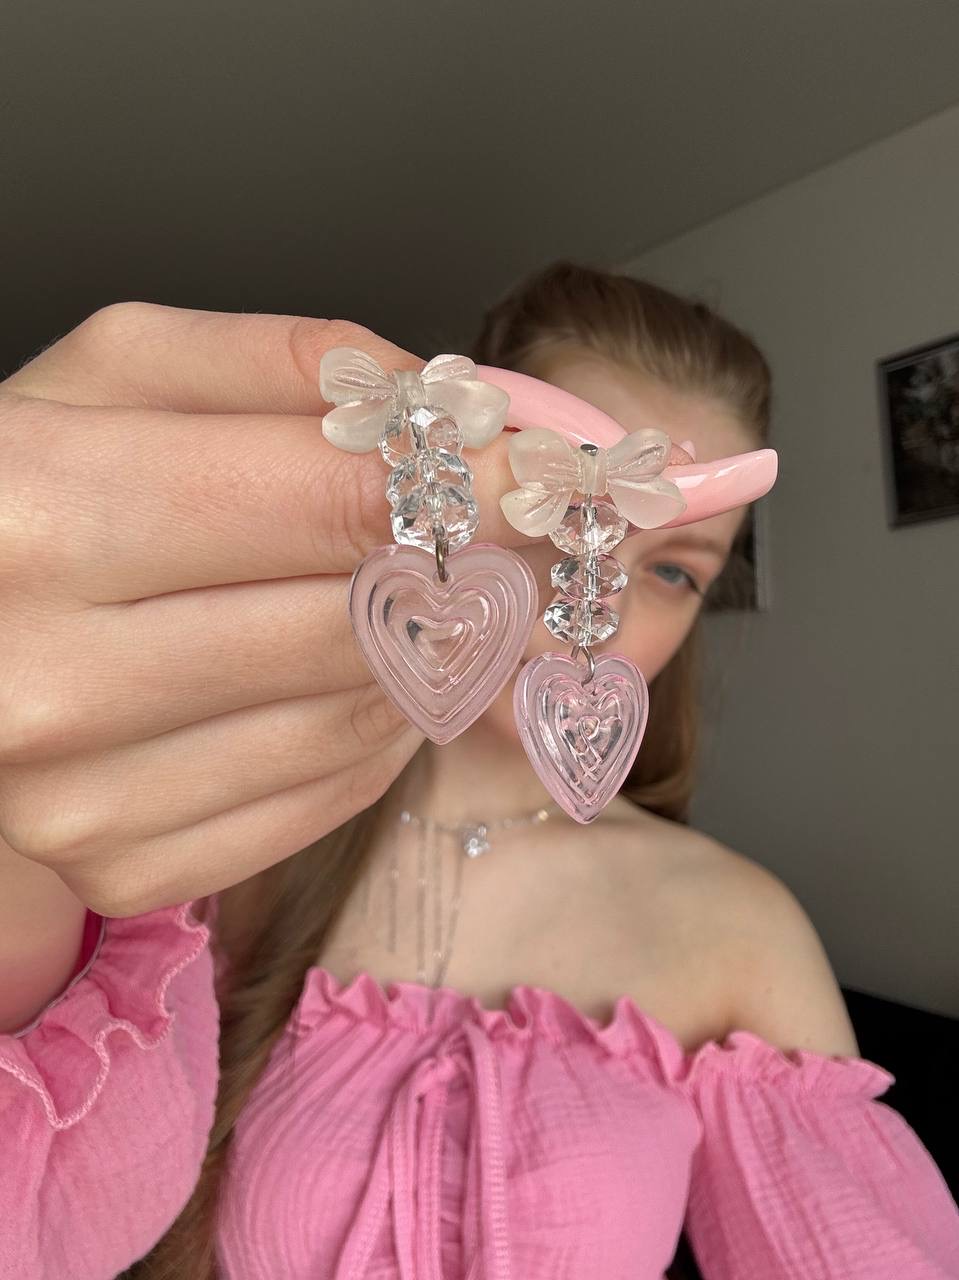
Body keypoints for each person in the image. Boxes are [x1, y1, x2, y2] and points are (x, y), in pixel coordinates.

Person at [1, 263, 956, 1280]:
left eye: (674, 569)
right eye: (559, 511)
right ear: (458, 481)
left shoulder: (741, 930)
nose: (595, 595)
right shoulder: (208, 848)